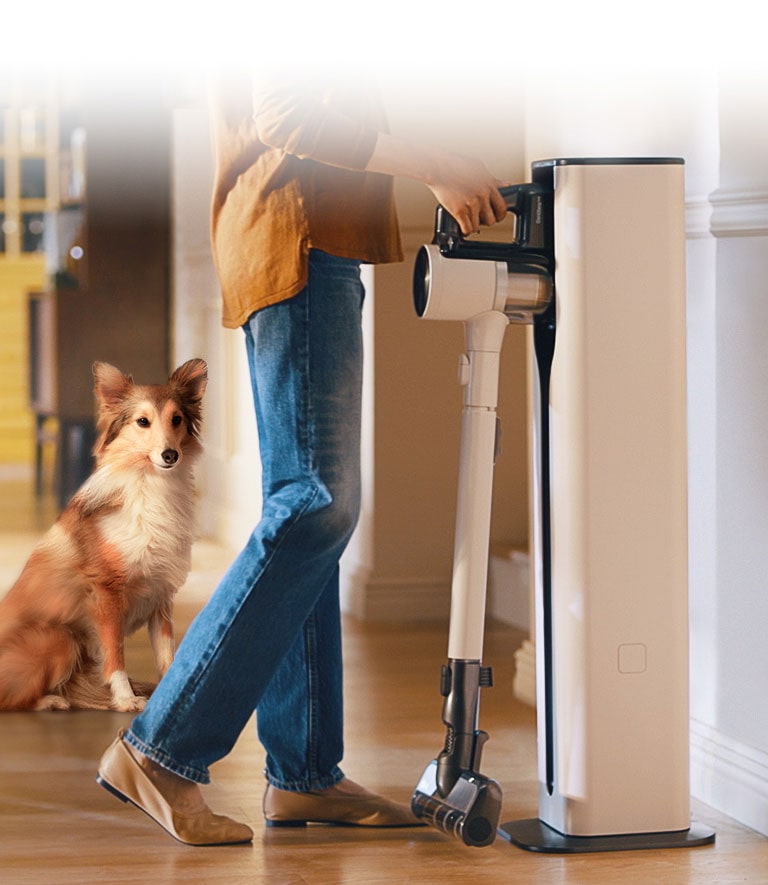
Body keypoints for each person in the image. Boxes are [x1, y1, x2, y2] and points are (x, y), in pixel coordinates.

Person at [96, 70, 509, 846]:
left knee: (308, 507)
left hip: (302, 239)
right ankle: (162, 747)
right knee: (317, 501)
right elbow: (287, 115)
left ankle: (305, 771)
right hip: (295, 237)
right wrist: (439, 167)